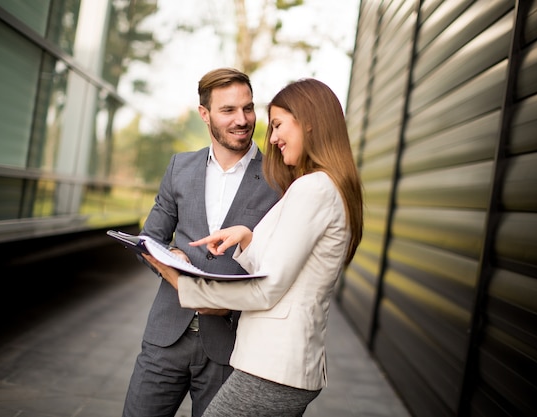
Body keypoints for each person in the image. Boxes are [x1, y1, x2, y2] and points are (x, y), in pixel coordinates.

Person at [147, 78, 364, 417]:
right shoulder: (323, 185)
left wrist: (183, 283)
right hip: (277, 362)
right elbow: (290, 265)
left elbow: (267, 289)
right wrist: (248, 239)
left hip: (275, 363)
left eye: (277, 125)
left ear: (309, 121)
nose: (272, 137)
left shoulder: (312, 188)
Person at [122, 68, 280, 417]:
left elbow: (279, 264)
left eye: (248, 108)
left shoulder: (277, 179)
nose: (242, 120)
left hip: (231, 346)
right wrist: (171, 255)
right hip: (166, 336)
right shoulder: (181, 167)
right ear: (204, 114)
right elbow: (150, 239)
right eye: (228, 110)